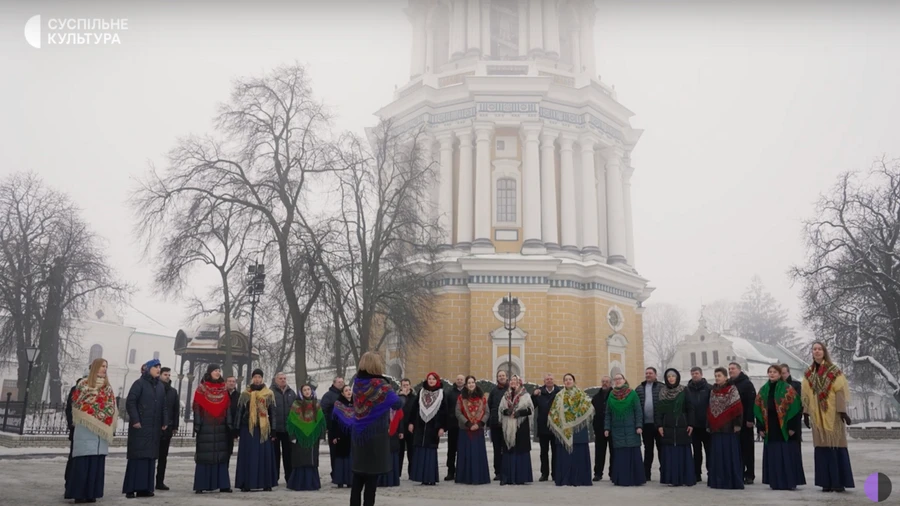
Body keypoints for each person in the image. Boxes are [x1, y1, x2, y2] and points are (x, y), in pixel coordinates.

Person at [347, 352, 403, 506]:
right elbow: (397, 404)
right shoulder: (380, 384)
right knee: (371, 482)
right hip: (375, 436)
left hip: (358, 435)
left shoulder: (357, 383)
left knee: (357, 478)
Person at [801, 341, 855, 493]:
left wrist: (842, 411)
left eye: (820, 349)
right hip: (817, 416)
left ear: (824, 352)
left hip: (833, 414)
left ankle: (838, 482)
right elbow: (806, 395)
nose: (817, 351)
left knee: (835, 446)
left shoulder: (834, 371)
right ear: (812, 352)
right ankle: (825, 482)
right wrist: (806, 412)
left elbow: (840, 391)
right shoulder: (809, 373)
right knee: (821, 448)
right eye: (814, 349)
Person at [66, 359, 117, 504]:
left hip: (101, 432)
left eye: (106, 366)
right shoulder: (84, 384)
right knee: (83, 462)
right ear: (95, 367)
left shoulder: (107, 388)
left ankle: (91, 493)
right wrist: (95, 414)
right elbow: (78, 404)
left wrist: (105, 418)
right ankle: (79, 493)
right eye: (102, 366)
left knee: (96, 463)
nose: (104, 369)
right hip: (85, 429)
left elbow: (111, 406)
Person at [123, 359, 167, 499]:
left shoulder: (160, 386)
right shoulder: (139, 383)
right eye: (155, 367)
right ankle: (131, 488)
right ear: (148, 369)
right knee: (138, 457)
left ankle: (145, 488)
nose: (158, 369)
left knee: (150, 458)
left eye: (159, 367)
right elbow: (131, 402)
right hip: (140, 426)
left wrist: (165, 421)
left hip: (154, 427)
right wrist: (135, 419)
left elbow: (163, 405)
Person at [755, 364, 804, 490]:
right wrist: (760, 427)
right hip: (770, 426)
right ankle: (775, 481)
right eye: (770, 372)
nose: (772, 374)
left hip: (784, 427)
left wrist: (792, 426)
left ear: (779, 374)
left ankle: (788, 481)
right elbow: (758, 408)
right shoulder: (763, 390)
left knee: (785, 454)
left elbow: (795, 407)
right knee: (774, 454)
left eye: (775, 372)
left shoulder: (787, 388)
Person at [192, 364, 233, 494]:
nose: (218, 372)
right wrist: (197, 424)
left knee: (221, 456)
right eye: (215, 370)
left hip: (221, 426)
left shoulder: (223, 388)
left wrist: (229, 424)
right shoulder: (202, 388)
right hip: (206, 425)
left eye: (219, 370)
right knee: (205, 455)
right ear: (210, 372)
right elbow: (197, 407)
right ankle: (201, 484)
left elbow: (227, 407)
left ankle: (223, 484)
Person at [234, 368, 277, 492]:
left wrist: (274, 429)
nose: (257, 379)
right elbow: (239, 411)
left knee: (264, 456)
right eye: (255, 377)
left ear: (262, 379)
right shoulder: (245, 394)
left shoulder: (269, 394)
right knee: (248, 455)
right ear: (252, 378)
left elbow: (273, 413)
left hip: (263, 429)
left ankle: (266, 483)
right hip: (248, 428)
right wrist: (236, 428)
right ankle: (246, 483)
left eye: (259, 377)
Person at [549, 373, 594, 487]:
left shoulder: (581, 394)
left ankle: (580, 479)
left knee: (578, 456)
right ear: (563, 382)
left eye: (570, 379)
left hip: (579, 429)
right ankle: (565, 478)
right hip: (564, 430)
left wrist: (575, 419)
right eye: (566, 380)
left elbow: (588, 408)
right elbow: (553, 412)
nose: (568, 381)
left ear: (574, 381)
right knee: (565, 457)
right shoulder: (559, 396)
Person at [705, 367, 744, 490]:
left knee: (729, 455)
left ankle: (730, 480)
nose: (717, 378)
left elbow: (737, 408)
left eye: (719, 376)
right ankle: (718, 480)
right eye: (716, 376)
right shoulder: (713, 391)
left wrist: (737, 424)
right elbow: (710, 409)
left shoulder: (732, 389)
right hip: (716, 429)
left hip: (729, 428)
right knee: (717, 455)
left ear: (726, 377)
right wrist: (709, 424)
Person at [656, 368, 696, 487]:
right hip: (667, 427)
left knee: (683, 453)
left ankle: (686, 478)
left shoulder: (684, 390)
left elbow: (690, 408)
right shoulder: (663, 392)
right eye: (669, 376)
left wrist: (691, 424)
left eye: (673, 376)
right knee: (670, 454)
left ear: (677, 377)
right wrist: (659, 425)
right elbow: (659, 411)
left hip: (682, 426)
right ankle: (672, 479)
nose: (671, 378)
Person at [604, 373, 645, 487]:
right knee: (620, 455)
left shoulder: (632, 393)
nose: (618, 381)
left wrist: (639, 426)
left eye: (620, 379)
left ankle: (635, 479)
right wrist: (607, 428)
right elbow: (608, 413)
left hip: (632, 429)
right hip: (617, 430)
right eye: (615, 379)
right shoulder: (611, 395)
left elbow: (638, 411)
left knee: (632, 453)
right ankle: (621, 479)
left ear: (624, 380)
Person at [285, 384, 324, 491]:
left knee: (311, 460)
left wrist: (321, 435)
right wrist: (292, 436)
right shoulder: (296, 405)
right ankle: (299, 483)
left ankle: (312, 483)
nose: (307, 391)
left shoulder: (316, 404)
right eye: (304, 390)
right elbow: (291, 422)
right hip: (299, 436)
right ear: (301, 392)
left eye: (308, 389)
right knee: (300, 459)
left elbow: (321, 421)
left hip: (313, 437)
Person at [409, 372, 446, 485]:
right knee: (420, 451)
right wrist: (411, 422)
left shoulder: (441, 394)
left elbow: (445, 411)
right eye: (429, 379)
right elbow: (414, 408)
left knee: (430, 452)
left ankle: (430, 477)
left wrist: (442, 427)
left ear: (437, 380)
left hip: (433, 428)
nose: (431, 381)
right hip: (420, 427)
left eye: (433, 379)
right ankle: (420, 477)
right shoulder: (421, 392)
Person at [454, 375, 490, 485]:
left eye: (472, 382)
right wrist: (468, 423)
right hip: (465, 429)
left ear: (475, 383)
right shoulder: (461, 398)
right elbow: (458, 412)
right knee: (465, 454)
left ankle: (479, 477)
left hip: (478, 430)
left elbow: (487, 412)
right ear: (466, 385)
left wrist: (479, 424)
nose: (471, 384)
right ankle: (464, 477)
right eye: (469, 383)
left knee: (477, 454)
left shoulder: (482, 398)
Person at [499, 374, 534, 485]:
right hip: (508, 426)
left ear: (520, 382)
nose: (513, 381)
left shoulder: (525, 395)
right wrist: (506, 411)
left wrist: (519, 413)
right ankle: (508, 477)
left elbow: (530, 409)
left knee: (520, 449)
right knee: (509, 449)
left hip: (521, 426)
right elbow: (501, 409)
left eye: (515, 380)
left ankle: (520, 477)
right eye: (512, 380)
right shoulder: (506, 395)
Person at [729, 361, 757, 485]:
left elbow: (752, 402)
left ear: (739, 370)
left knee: (747, 448)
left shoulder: (746, 384)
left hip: (745, 421)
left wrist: (750, 419)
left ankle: (749, 473)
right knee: (737, 448)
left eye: (733, 368)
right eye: (729, 369)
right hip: (733, 421)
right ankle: (739, 471)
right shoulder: (730, 384)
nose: (731, 371)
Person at [532, 373, 561, 481]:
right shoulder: (539, 392)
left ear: (554, 380)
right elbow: (532, 405)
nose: (549, 380)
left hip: (555, 427)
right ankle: (544, 474)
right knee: (543, 452)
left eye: (551, 379)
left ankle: (555, 473)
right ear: (544, 381)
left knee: (556, 452)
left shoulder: (559, 392)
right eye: (547, 379)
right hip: (543, 427)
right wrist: (533, 395)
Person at [781, 363, 806, 485]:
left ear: (788, 373)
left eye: (784, 373)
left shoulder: (796, 385)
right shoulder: (775, 386)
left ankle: (794, 477)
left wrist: (794, 425)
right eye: (780, 373)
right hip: (780, 424)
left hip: (793, 422)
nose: (782, 375)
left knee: (793, 450)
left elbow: (798, 405)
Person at [636, 367, 662, 481]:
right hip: (646, 425)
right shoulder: (639, 388)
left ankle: (664, 473)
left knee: (662, 449)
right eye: (646, 373)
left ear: (655, 375)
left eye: (650, 373)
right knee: (648, 450)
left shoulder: (661, 387)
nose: (648, 375)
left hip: (659, 425)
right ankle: (646, 474)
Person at [155, 366, 179, 491]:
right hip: (155, 427)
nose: (167, 377)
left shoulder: (173, 392)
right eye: (165, 374)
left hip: (167, 428)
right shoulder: (155, 388)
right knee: (152, 455)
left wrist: (175, 426)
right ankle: (148, 480)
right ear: (160, 375)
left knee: (163, 457)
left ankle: (160, 481)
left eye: (169, 375)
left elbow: (176, 410)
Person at [271, 372, 297, 485]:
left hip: (288, 429)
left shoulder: (291, 393)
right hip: (275, 429)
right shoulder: (270, 392)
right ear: (276, 380)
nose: (283, 380)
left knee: (289, 455)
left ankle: (290, 477)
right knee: (274, 455)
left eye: (284, 378)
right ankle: (274, 478)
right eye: (280, 378)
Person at [686, 367, 711, 482]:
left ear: (701, 374)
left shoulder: (709, 388)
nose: (694, 375)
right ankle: (697, 474)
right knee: (696, 452)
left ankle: (711, 472)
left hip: (706, 425)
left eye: (696, 373)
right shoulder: (687, 389)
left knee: (709, 451)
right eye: (693, 374)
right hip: (694, 426)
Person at [375, 390, 405, 488]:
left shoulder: (398, 408)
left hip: (394, 436)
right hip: (382, 435)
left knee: (393, 456)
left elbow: (401, 420)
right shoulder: (380, 406)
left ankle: (393, 480)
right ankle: (382, 480)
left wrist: (401, 431)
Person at [64, 373, 85, 498]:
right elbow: (70, 409)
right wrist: (72, 424)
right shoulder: (77, 388)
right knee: (74, 459)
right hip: (77, 430)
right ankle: (70, 485)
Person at [328, 385, 354, 488]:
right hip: (341, 435)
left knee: (351, 457)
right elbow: (334, 421)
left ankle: (350, 480)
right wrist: (334, 436)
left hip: (352, 434)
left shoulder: (356, 404)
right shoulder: (338, 404)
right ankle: (340, 480)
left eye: (349, 390)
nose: (348, 392)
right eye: (346, 390)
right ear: (342, 393)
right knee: (341, 458)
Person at [487, 370, 509, 481]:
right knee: (497, 449)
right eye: (499, 376)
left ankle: (507, 470)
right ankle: (498, 472)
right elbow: (489, 406)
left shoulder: (510, 390)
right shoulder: (493, 391)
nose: (501, 377)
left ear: (506, 377)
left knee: (507, 448)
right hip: (495, 424)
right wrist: (489, 422)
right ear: (497, 377)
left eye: (503, 375)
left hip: (507, 424)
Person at [320, 376, 344, 483]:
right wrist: (327, 426)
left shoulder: (345, 394)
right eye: (339, 382)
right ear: (334, 383)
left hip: (345, 429)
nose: (341, 383)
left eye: (342, 382)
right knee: (335, 453)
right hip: (333, 428)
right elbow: (323, 411)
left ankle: (345, 474)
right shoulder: (328, 396)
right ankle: (335, 474)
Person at [591, 375, 613, 481]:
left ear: (610, 383)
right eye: (603, 381)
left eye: (607, 381)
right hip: (599, 428)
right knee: (599, 452)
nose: (605, 383)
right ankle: (598, 473)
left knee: (613, 452)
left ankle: (613, 472)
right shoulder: (596, 397)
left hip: (612, 428)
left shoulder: (614, 395)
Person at [444, 374, 466, 481]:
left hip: (465, 426)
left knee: (463, 449)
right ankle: (451, 471)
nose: (460, 381)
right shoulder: (450, 393)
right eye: (458, 379)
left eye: (461, 379)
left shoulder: (467, 392)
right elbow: (446, 407)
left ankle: (462, 471)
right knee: (452, 450)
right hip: (453, 425)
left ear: (464, 381)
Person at [398, 378, 416, 477]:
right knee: (399, 452)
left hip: (410, 427)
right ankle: (397, 473)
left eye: (407, 385)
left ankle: (412, 473)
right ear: (401, 386)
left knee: (411, 451)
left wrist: (412, 423)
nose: (405, 387)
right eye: (403, 385)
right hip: (400, 427)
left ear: (410, 386)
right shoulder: (397, 398)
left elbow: (416, 412)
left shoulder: (414, 398)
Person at [225, 375, 240, 459]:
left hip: (232, 428)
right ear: (226, 383)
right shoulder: (222, 394)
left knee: (228, 451)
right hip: (222, 426)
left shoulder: (239, 396)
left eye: (233, 381)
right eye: (229, 381)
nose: (231, 383)